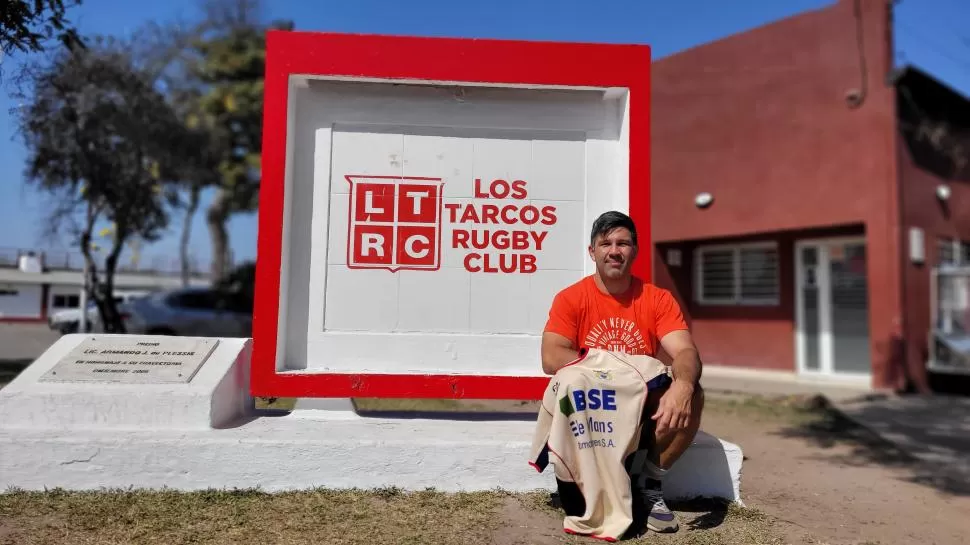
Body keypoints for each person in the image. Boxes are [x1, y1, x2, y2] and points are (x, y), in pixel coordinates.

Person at [541, 210, 704, 534]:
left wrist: (683, 385)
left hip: (639, 406)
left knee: (693, 392)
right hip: (594, 407)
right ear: (592, 252)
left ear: (635, 251)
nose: (614, 250)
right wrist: (614, 373)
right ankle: (600, 483)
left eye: (623, 243)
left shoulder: (656, 299)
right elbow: (551, 357)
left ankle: (649, 484)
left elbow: (685, 351)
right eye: (606, 243)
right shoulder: (572, 298)